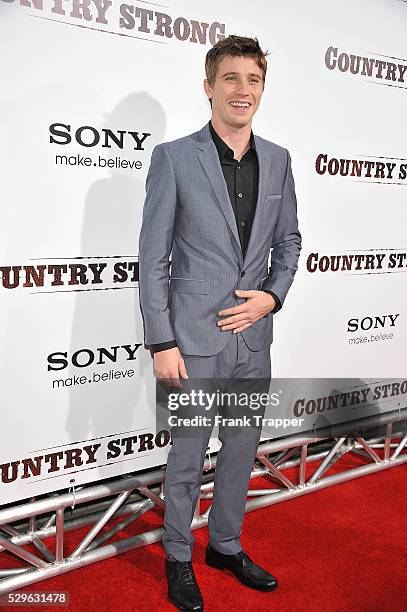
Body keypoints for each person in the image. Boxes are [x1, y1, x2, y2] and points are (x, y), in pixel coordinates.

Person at [139, 34, 302, 611]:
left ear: (263, 89)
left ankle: (225, 545)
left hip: (253, 339)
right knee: (186, 456)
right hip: (193, 342)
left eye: (253, 80)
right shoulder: (175, 158)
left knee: (241, 448)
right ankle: (179, 556)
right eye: (231, 79)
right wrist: (161, 339)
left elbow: (289, 242)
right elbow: (152, 255)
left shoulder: (279, 159)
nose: (243, 90)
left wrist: (272, 299)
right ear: (209, 87)